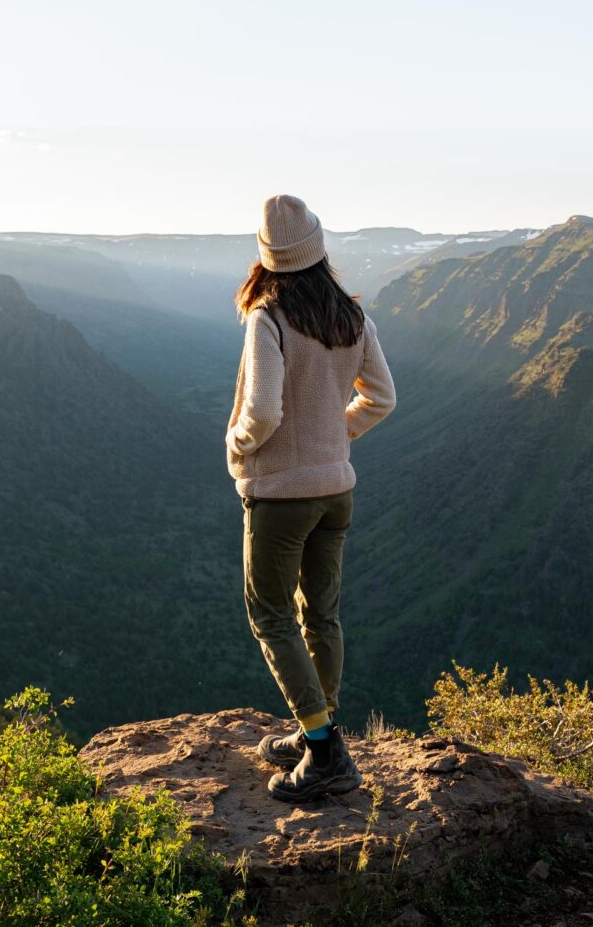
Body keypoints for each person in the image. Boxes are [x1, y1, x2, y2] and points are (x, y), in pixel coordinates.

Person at [225, 194, 396, 803]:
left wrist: (239, 448)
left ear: (266, 257)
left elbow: (263, 411)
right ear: (318, 249)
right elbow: (381, 398)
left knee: (270, 616)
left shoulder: (268, 317)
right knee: (320, 614)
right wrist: (334, 437)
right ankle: (315, 728)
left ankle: (324, 753)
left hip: (282, 496)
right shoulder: (352, 318)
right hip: (336, 493)